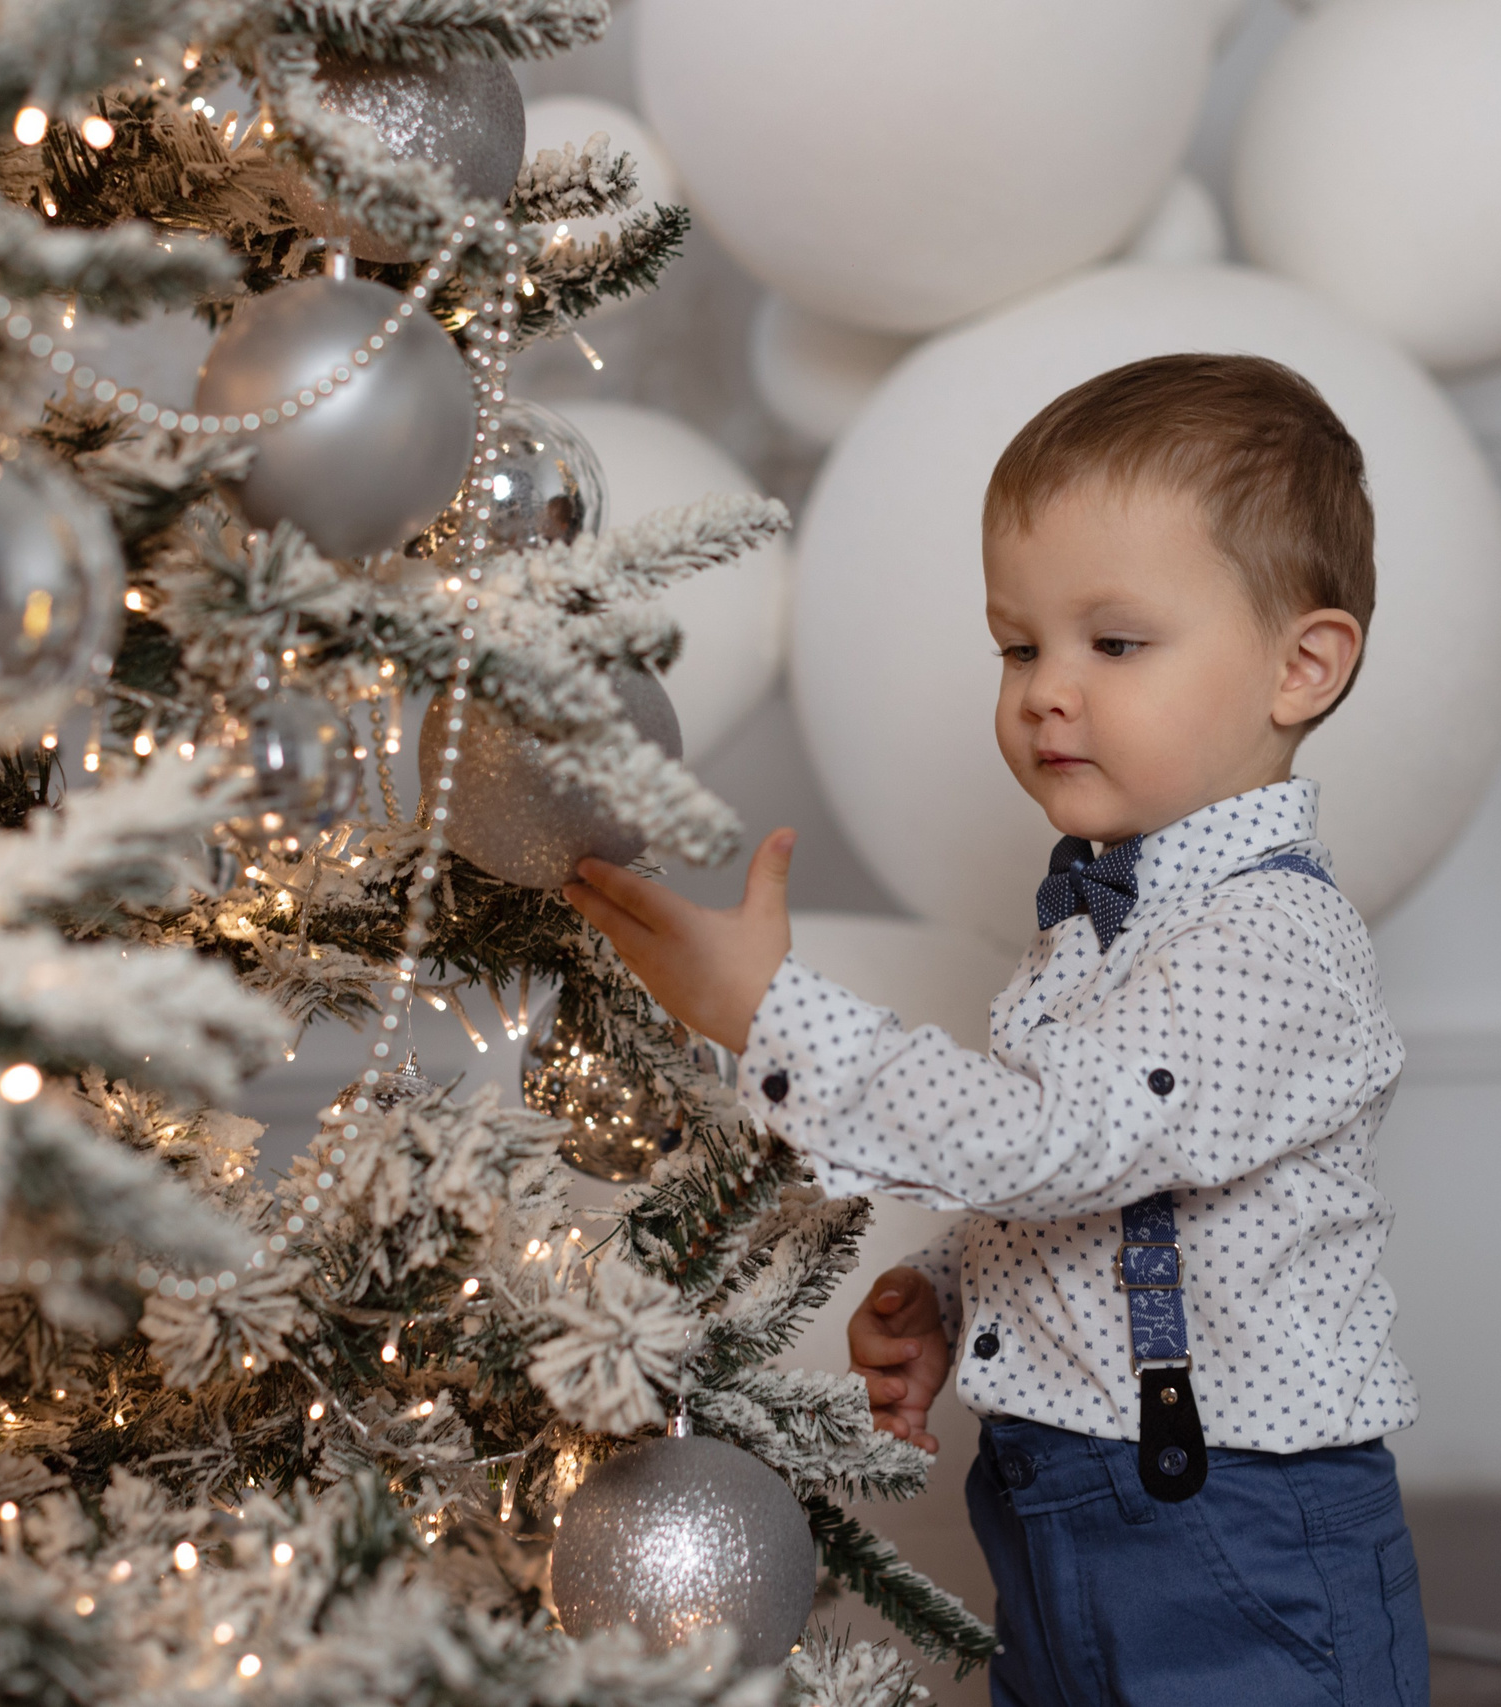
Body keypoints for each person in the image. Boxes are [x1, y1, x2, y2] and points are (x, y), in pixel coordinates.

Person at [563, 354, 1427, 1707]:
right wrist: (965, 1290)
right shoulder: (1103, 926)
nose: (1045, 690)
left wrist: (770, 1016)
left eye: (1115, 644)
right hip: (1064, 1504)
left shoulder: (1271, 939)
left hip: (1234, 1535)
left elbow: (1063, 1141)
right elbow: (1117, 1188)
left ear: (1301, 667)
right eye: (1020, 645)